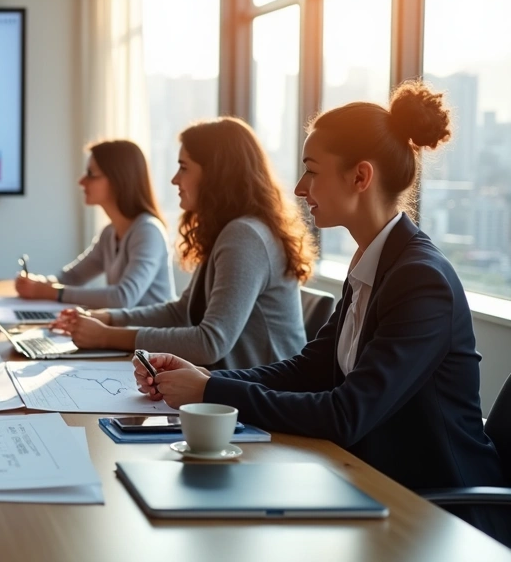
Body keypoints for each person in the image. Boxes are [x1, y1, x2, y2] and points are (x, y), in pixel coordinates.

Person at [131, 81, 509, 543]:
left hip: (440, 516)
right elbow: (309, 369)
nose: (299, 187)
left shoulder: (420, 280)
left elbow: (346, 413)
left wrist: (211, 388)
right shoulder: (374, 261)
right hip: (376, 484)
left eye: (312, 170)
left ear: (360, 177)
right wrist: (202, 379)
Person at [51, 117, 314, 370]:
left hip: (258, 402)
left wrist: (107, 336)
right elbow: (181, 312)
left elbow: (210, 343)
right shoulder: (227, 231)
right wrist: (109, 318)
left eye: (184, 167)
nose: (175, 179)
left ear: (216, 174)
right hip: (231, 388)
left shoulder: (244, 236)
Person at [14, 139, 173, 309]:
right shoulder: (109, 233)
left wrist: (51, 292)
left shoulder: (148, 231)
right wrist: (38, 284)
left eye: (91, 174)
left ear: (119, 180)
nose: (81, 181)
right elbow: (72, 277)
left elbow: (123, 297)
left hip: (151, 334)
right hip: (124, 331)